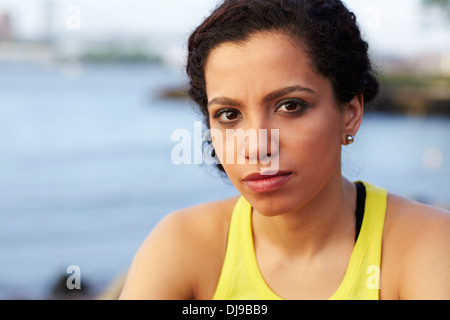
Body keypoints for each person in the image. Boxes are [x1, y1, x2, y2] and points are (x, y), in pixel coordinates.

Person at [119, 0, 450, 300]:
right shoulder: (184, 247)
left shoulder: (424, 245)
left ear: (349, 113)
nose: (258, 147)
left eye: (290, 106)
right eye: (229, 115)